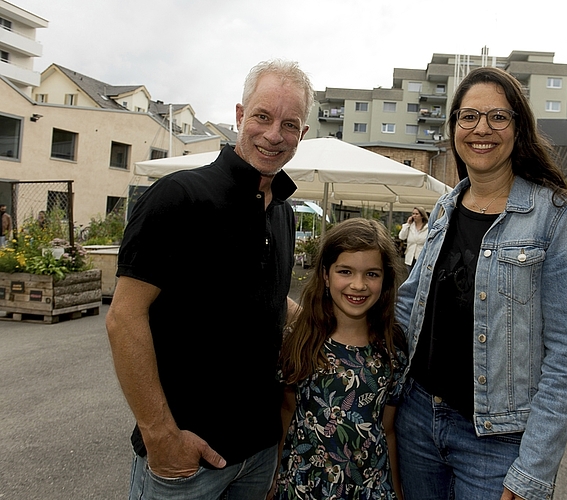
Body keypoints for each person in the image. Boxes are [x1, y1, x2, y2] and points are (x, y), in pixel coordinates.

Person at [105, 59, 314, 500]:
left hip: (258, 454)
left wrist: (341, 323)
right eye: (262, 116)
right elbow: (124, 318)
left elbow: (271, 301)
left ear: (303, 134)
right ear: (240, 116)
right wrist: (160, 434)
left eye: (289, 124)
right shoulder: (179, 197)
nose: (274, 134)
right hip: (187, 459)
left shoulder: (283, 213)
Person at [394, 67, 567, 500]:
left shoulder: (555, 215)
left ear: (518, 129)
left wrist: (532, 473)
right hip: (418, 421)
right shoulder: (446, 206)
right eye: (468, 117)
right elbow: (410, 306)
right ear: (454, 129)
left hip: (496, 441)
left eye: (498, 117)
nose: (481, 129)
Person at [272, 218, 407, 500]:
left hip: (370, 489)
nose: (358, 285)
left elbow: (387, 428)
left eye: (372, 274)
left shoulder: (393, 348)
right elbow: (287, 413)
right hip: (303, 486)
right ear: (325, 274)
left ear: (386, 279)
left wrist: (397, 490)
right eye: (345, 271)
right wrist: (275, 478)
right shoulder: (298, 341)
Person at [397, 206, 428, 273]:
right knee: (409, 277)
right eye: (413, 214)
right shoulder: (410, 226)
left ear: (422, 215)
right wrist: (407, 224)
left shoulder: (427, 227)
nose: (414, 216)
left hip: (421, 257)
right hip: (410, 257)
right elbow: (401, 237)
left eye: (417, 214)